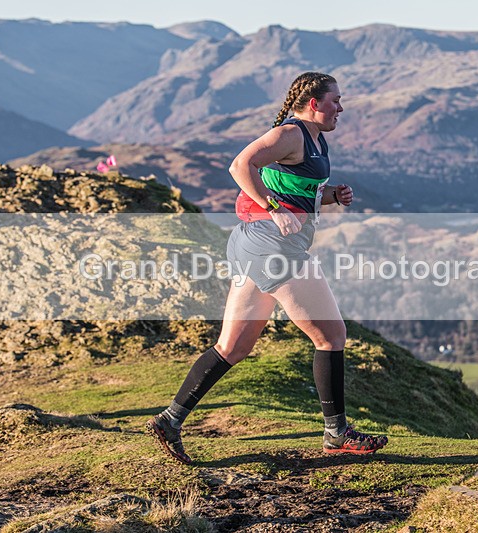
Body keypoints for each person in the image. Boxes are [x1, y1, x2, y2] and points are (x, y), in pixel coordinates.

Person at [147, 72, 388, 464]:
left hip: (254, 245)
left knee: (233, 347)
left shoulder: (315, 139)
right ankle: (336, 434)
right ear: (314, 103)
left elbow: (294, 187)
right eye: (336, 100)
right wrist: (273, 209)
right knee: (331, 336)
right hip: (273, 246)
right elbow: (240, 166)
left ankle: (170, 420)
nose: (341, 108)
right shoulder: (291, 134)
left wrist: (331, 195)